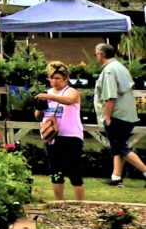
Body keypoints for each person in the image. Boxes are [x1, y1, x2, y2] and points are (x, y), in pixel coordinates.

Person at [95, 43, 146, 187]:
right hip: (128, 114)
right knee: (118, 146)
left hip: (117, 115)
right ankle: (116, 177)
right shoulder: (120, 67)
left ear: (101, 54)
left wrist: (108, 117)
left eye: (96, 54)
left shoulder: (109, 70)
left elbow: (110, 96)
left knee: (121, 148)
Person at [37, 62, 86, 201]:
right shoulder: (46, 93)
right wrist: (39, 106)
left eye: (58, 78)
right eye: (52, 78)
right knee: (56, 171)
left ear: (65, 79)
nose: (54, 81)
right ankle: (59, 202)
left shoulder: (71, 91)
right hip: (52, 136)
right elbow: (38, 116)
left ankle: (81, 203)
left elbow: (69, 100)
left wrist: (48, 97)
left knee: (74, 170)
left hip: (71, 136)